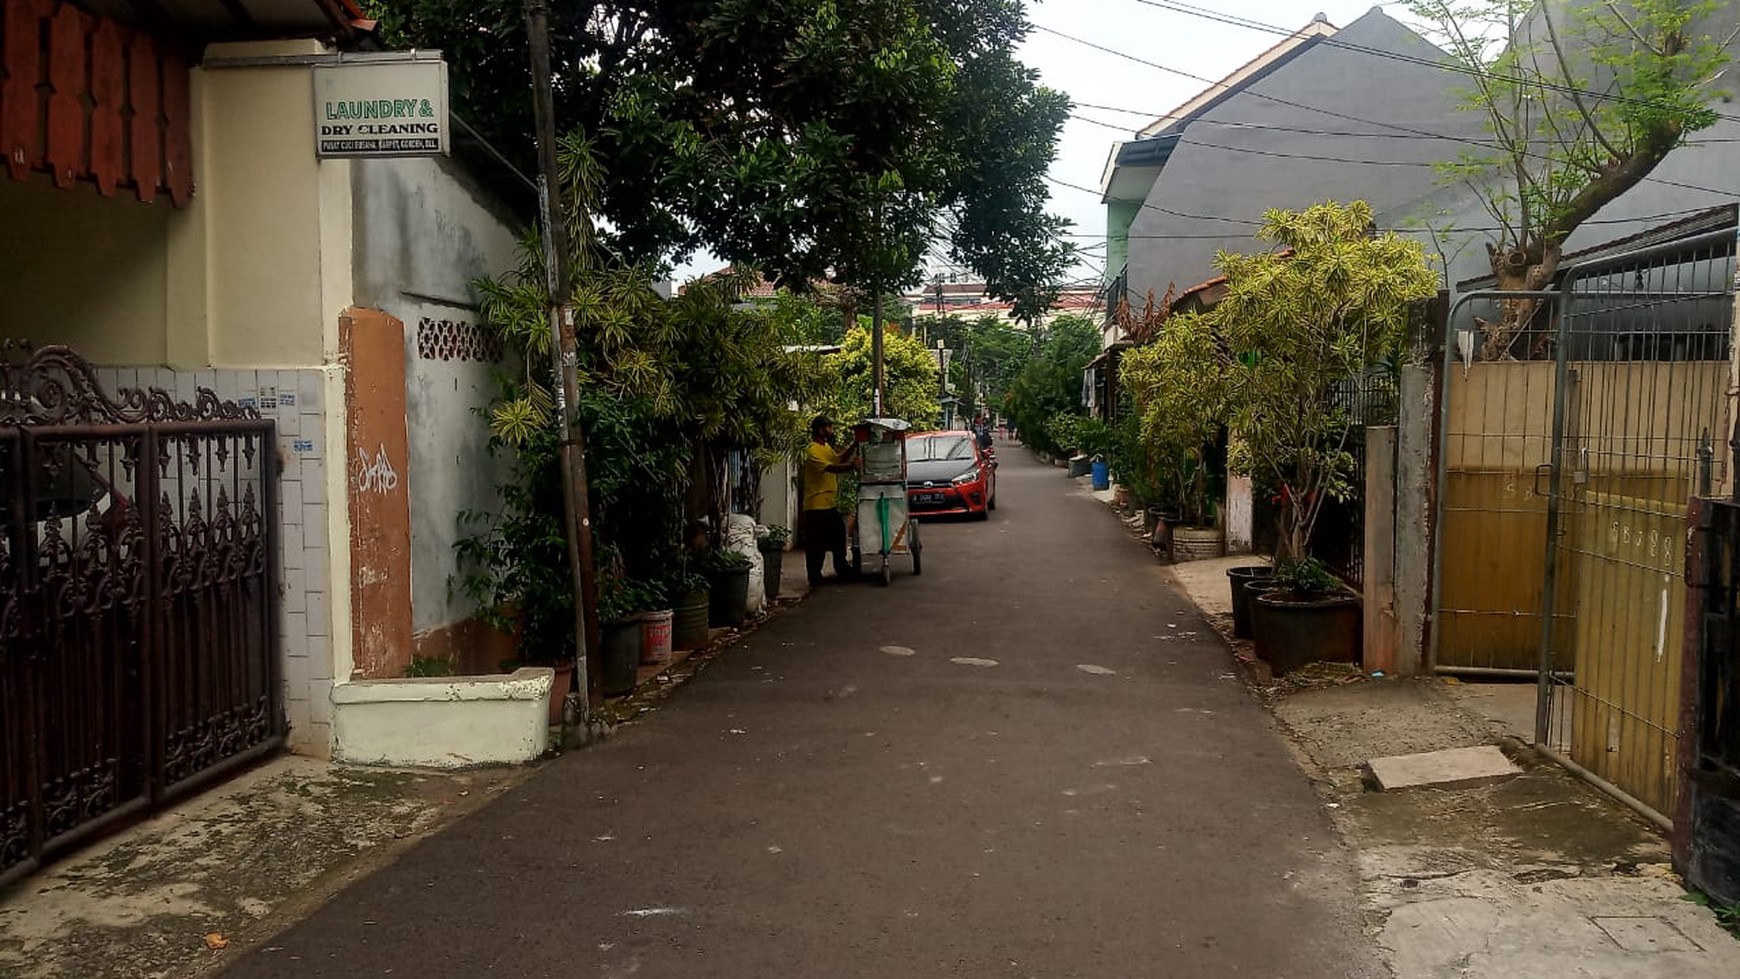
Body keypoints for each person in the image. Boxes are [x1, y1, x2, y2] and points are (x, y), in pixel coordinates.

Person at [801, 415, 858, 585]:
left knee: (838, 535)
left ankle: (841, 568)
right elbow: (832, 468)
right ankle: (815, 576)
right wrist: (852, 466)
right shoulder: (811, 450)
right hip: (816, 505)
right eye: (829, 427)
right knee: (816, 544)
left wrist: (855, 444)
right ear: (820, 429)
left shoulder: (825, 447)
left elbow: (838, 459)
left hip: (828, 503)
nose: (831, 430)